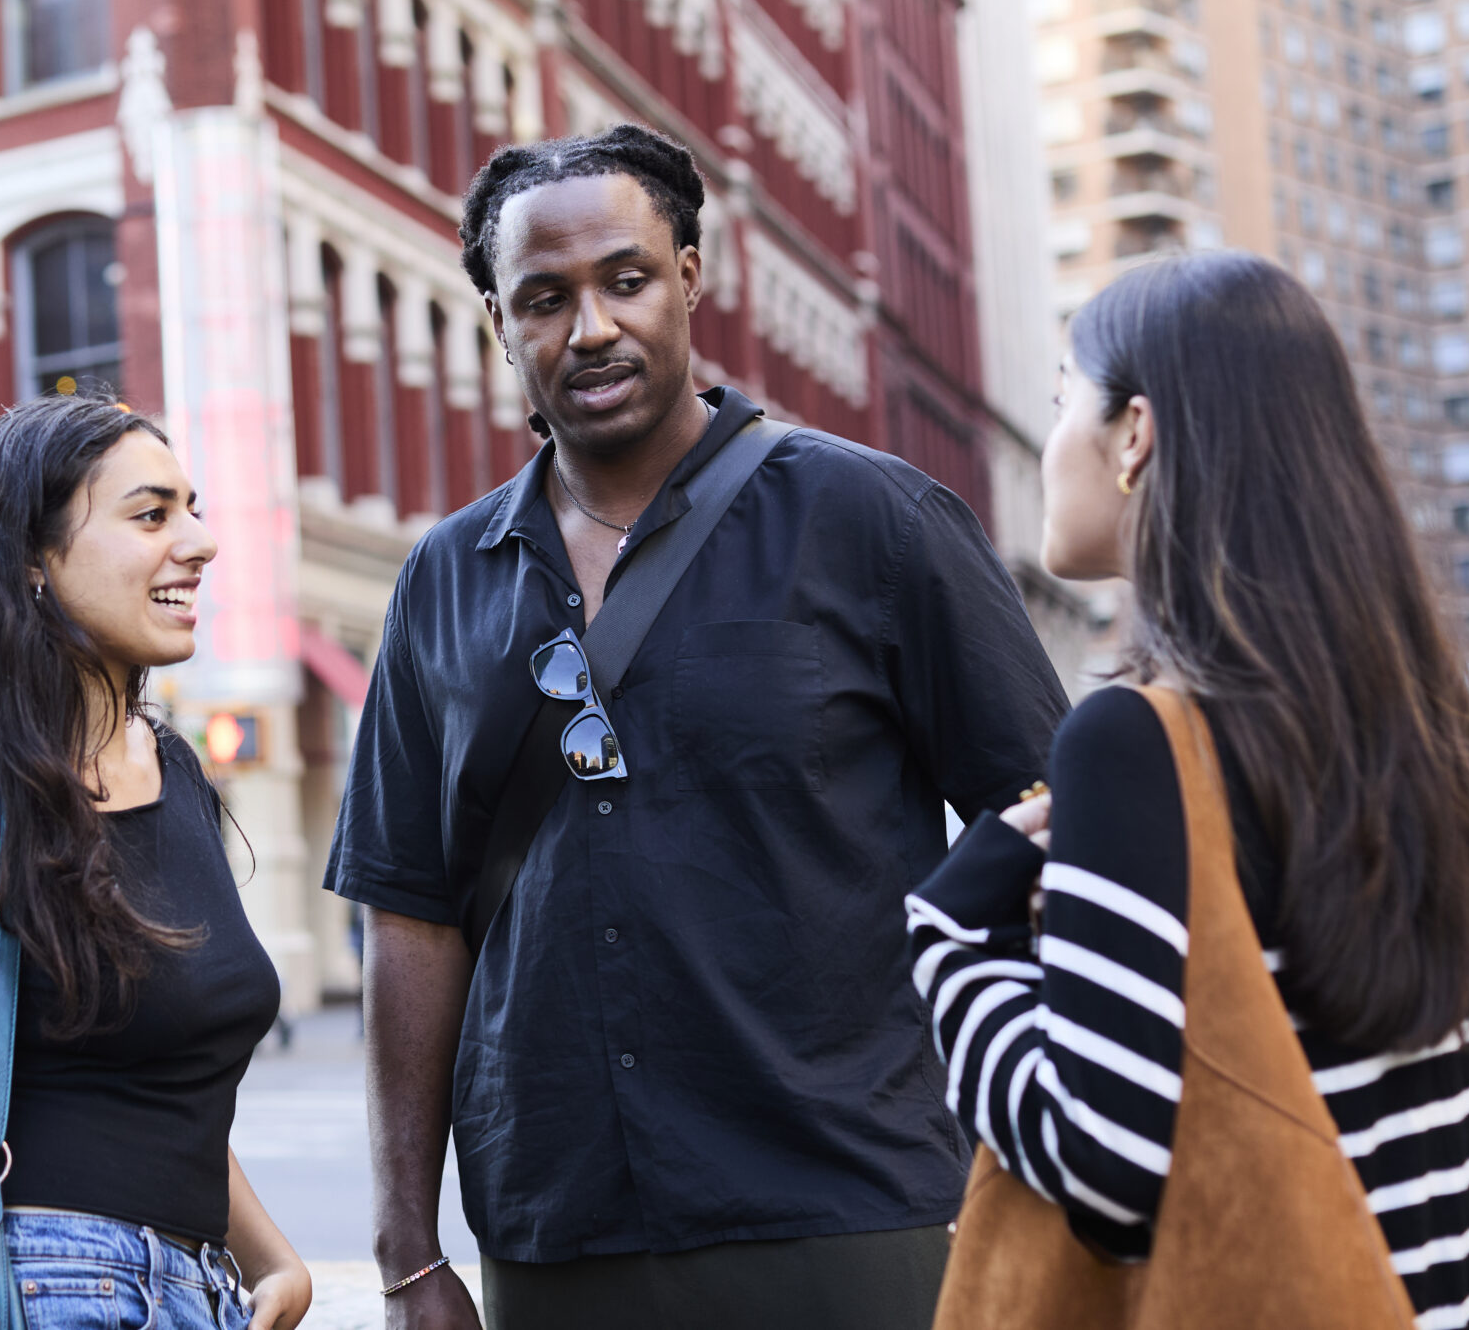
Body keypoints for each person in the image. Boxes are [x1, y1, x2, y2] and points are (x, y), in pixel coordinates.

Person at [326, 124, 1070, 1330]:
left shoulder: (874, 520)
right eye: (544, 299)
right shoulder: (443, 578)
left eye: (624, 280)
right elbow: (409, 913)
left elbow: (1046, 824)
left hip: (851, 1211)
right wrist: (408, 1252)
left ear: (688, 276)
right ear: (498, 323)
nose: (591, 329)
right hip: (555, 1229)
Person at [906, 252, 1469, 1327]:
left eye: (1062, 402)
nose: (1053, 445)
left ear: (1133, 434)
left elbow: (1104, 1169)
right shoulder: (1409, 707)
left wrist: (950, 940)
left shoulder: (1135, 745)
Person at [0, 394, 315, 1330]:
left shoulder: (173, 767)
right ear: (31, 558)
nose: (200, 541)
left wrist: (274, 1261)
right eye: (151, 515)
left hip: (198, 1291)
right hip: (50, 1284)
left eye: (192, 508)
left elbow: (160, 1078)